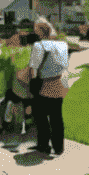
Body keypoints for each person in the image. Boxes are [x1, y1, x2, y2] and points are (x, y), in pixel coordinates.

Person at [22, 17, 69, 158]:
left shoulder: (39, 46)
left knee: (41, 117)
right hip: (60, 84)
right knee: (56, 117)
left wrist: (30, 86)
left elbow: (33, 69)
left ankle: (43, 145)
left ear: (38, 31)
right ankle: (59, 147)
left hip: (44, 85)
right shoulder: (63, 45)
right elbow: (64, 66)